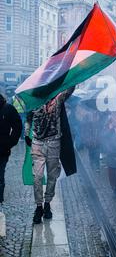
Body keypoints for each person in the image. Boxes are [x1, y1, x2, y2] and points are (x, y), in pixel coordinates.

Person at [25, 87, 75, 224]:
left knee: (52, 176)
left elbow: (70, 89)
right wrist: (26, 134)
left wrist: (76, 70)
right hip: (38, 143)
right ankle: (38, 206)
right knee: (38, 176)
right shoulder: (34, 103)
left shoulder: (57, 99)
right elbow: (28, 119)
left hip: (54, 143)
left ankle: (47, 203)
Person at [0, 94, 22, 204]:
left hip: (2, 149)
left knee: (0, 174)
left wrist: (10, 142)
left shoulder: (8, 108)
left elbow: (17, 126)